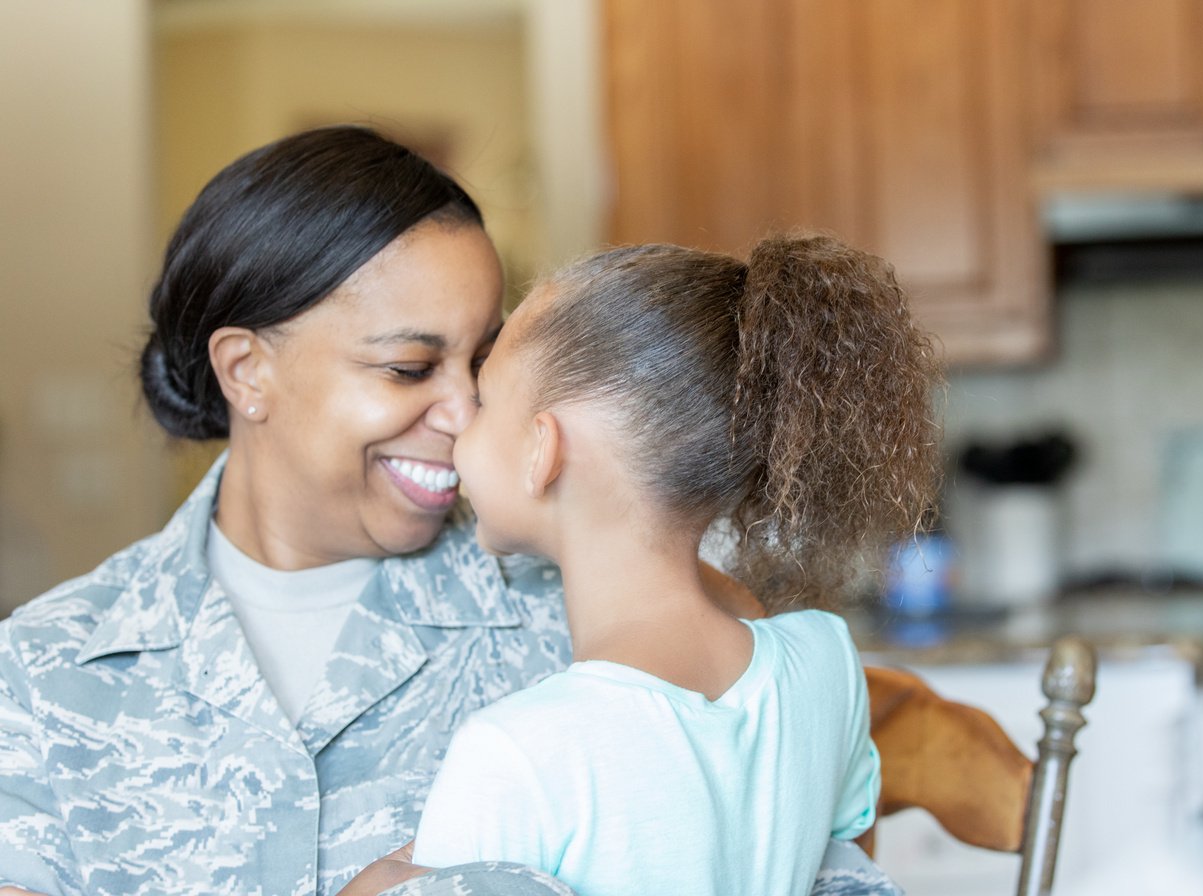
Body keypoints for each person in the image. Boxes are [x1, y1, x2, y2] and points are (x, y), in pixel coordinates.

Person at [0, 126, 906, 896]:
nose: (469, 416)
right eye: (407, 368)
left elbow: (813, 861)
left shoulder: (614, 613)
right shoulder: (42, 677)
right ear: (247, 371)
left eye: (482, 363)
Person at [411, 236, 942, 896]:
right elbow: (846, 861)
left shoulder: (516, 756)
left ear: (541, 450)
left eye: (484, 400)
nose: (456, 423)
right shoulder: (825, 659)